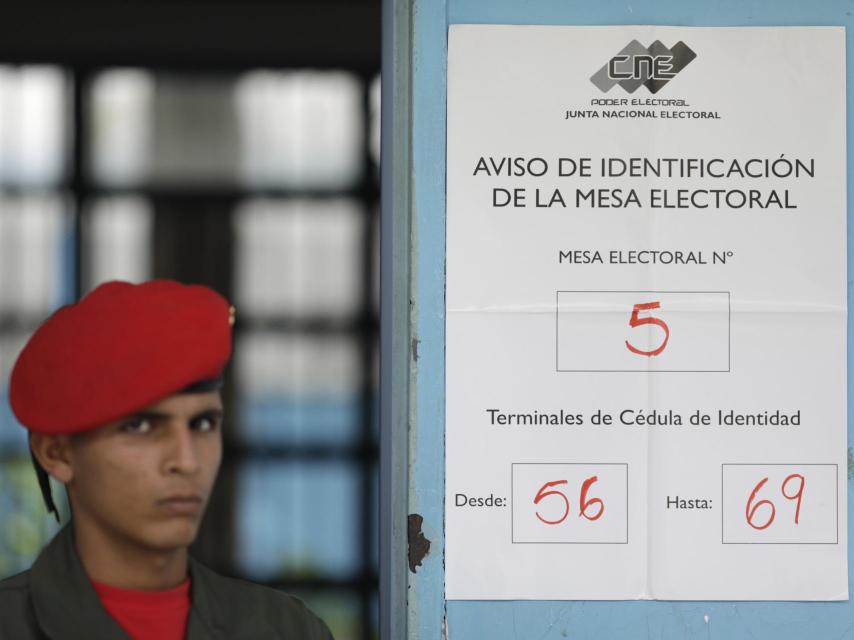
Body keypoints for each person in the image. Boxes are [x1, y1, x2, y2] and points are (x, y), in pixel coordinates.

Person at [0, 279, 334, 640]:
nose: (186, 461)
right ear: (57, 453)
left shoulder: (287, 630)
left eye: (203, 423)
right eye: (140, 426)